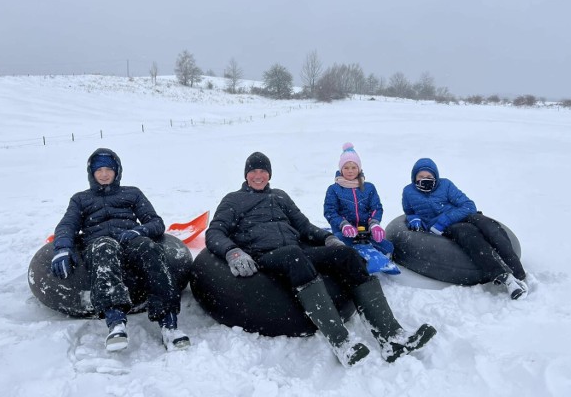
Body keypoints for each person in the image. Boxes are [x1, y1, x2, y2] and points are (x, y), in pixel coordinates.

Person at [206, 151, 436, 367]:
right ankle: (341, 343)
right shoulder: (233, 200)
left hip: (297, 250)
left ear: (269, 174)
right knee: (294, 256)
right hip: (265, 256)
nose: (259, 176)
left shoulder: (280, 196)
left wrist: (327, 239)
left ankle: (391, 336)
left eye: (263, 171)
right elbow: (214, 232)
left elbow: (303, 226)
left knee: (347, 255)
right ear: (246, 175)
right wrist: (233, 252)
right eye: (253, 171)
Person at [51, 148, 190, 352]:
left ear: (117, 171)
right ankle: (116, 323)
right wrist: (62, 247)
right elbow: (67, 225)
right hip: (99, 243)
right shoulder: (80, 199)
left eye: (109, 169)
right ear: (92, 173)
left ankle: (169, 325)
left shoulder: (132, 193)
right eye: (99, 170)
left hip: (129, 240)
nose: (105, 174)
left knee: (149, 248)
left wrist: (138, 231)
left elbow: (155, 222)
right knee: (105, 248)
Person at [402, 157, 528, 300]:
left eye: (429, 176)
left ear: (435, 177)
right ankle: (506, 278)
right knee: (470, 235)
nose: (425, 179)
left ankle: (519, 273)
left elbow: (469, 205)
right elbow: (409, 211)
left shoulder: (445, 185)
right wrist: (414, 219)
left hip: (462, 215)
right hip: (451, 226)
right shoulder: (408, 192)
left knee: (490, 227)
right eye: (421, 176)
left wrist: (445, 219)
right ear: (414, 177)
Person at [324, 142, 393, 255]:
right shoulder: (334, 189)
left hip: (365, 232)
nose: (350, 171)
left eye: (353, 167)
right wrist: (344, 224)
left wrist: (374, 224)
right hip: (344, 232)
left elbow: (376, 207)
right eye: (346, 167)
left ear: (359, 169)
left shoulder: (369, 187)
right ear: (341, 170)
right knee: (338, 247)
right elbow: (330, 211)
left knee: (388, 247)